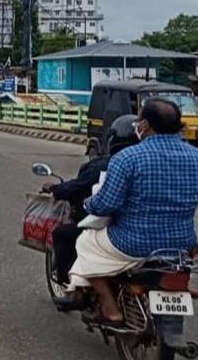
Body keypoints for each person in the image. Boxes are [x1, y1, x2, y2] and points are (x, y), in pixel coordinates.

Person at [68, 98, 198, 326]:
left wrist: (89, 203)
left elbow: (106, 204)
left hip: (130, 243)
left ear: (144, 126)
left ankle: (110, 309)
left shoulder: (127, 158)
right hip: (181, 246)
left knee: (85, 243)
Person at [43, 115, 139, 291]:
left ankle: (73, 285)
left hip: (120, 231)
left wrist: (89, 204)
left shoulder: (109, 164)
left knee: (72, 237)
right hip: (166, 237)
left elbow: (100, 203)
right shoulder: (158, 163)